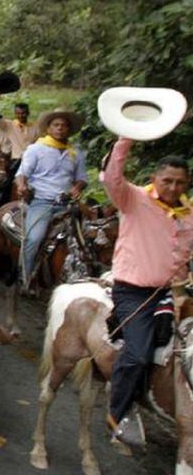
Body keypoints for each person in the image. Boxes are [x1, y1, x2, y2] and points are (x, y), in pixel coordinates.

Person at [101, 139, 193, 446]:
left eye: (179, 182)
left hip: (170, 292)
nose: (172, 187)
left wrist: (181, 291)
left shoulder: (189, 214)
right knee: (138, 354)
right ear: (154, 178)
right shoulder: (133, 198)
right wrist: (125, 140)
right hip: (132, 292)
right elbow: (113, 177)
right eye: (166, 180)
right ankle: (119, 413)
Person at [14, 108, 88, 285]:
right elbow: (22, 174)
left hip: (68, 203)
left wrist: (77, 187)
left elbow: (81, 179)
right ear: (48, 128)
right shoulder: (35, 149)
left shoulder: (75, 153)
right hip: (43, 201)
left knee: (93, 234)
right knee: (34, 238)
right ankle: (25, 276)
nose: (60, 128)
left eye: (64, 125)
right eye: (56, 125)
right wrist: (22, 185)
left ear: (69, 130)